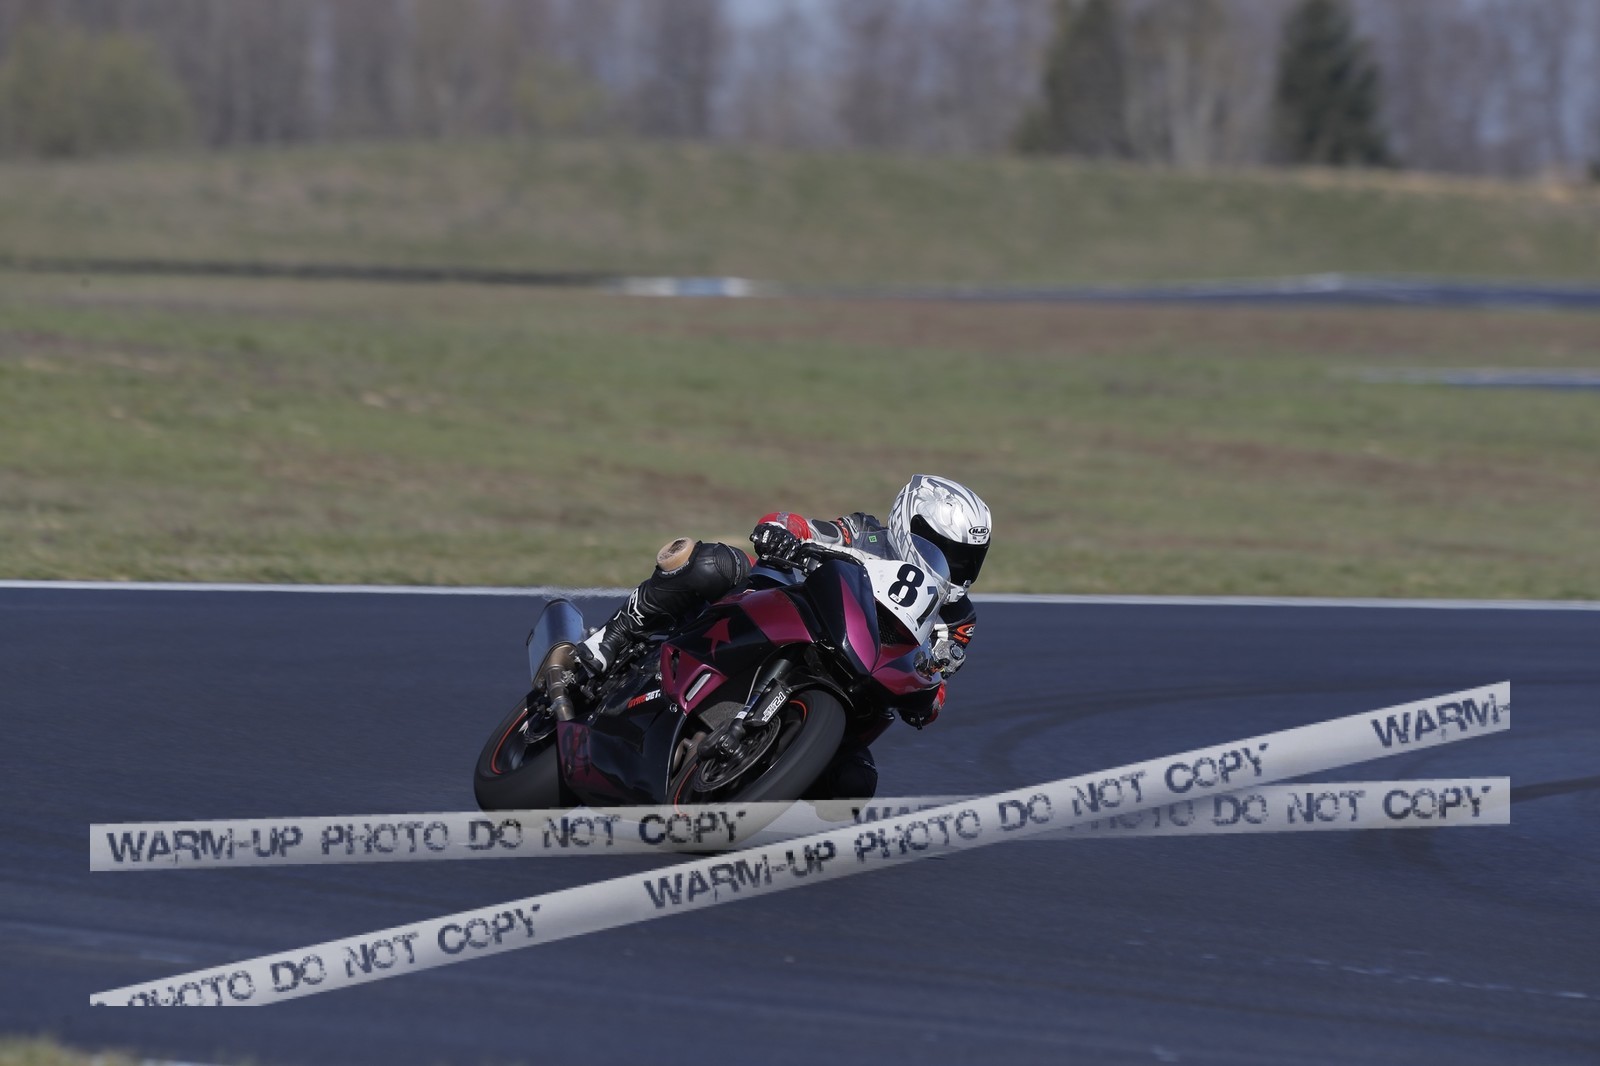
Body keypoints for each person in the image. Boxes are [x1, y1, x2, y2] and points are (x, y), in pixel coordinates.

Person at [575, 474, 991, 798]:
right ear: (909, 523)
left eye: (968, 559)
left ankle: (757, 787)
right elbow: (797, 525)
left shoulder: (958, 619)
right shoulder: (865, 533)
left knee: (855, 783)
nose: (956, 567)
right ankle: (609, 640)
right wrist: (782, 531)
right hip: (790, 617)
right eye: (944, 549)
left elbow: (934, 684)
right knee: (713, 564)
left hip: (858, 686)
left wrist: (929, 695)